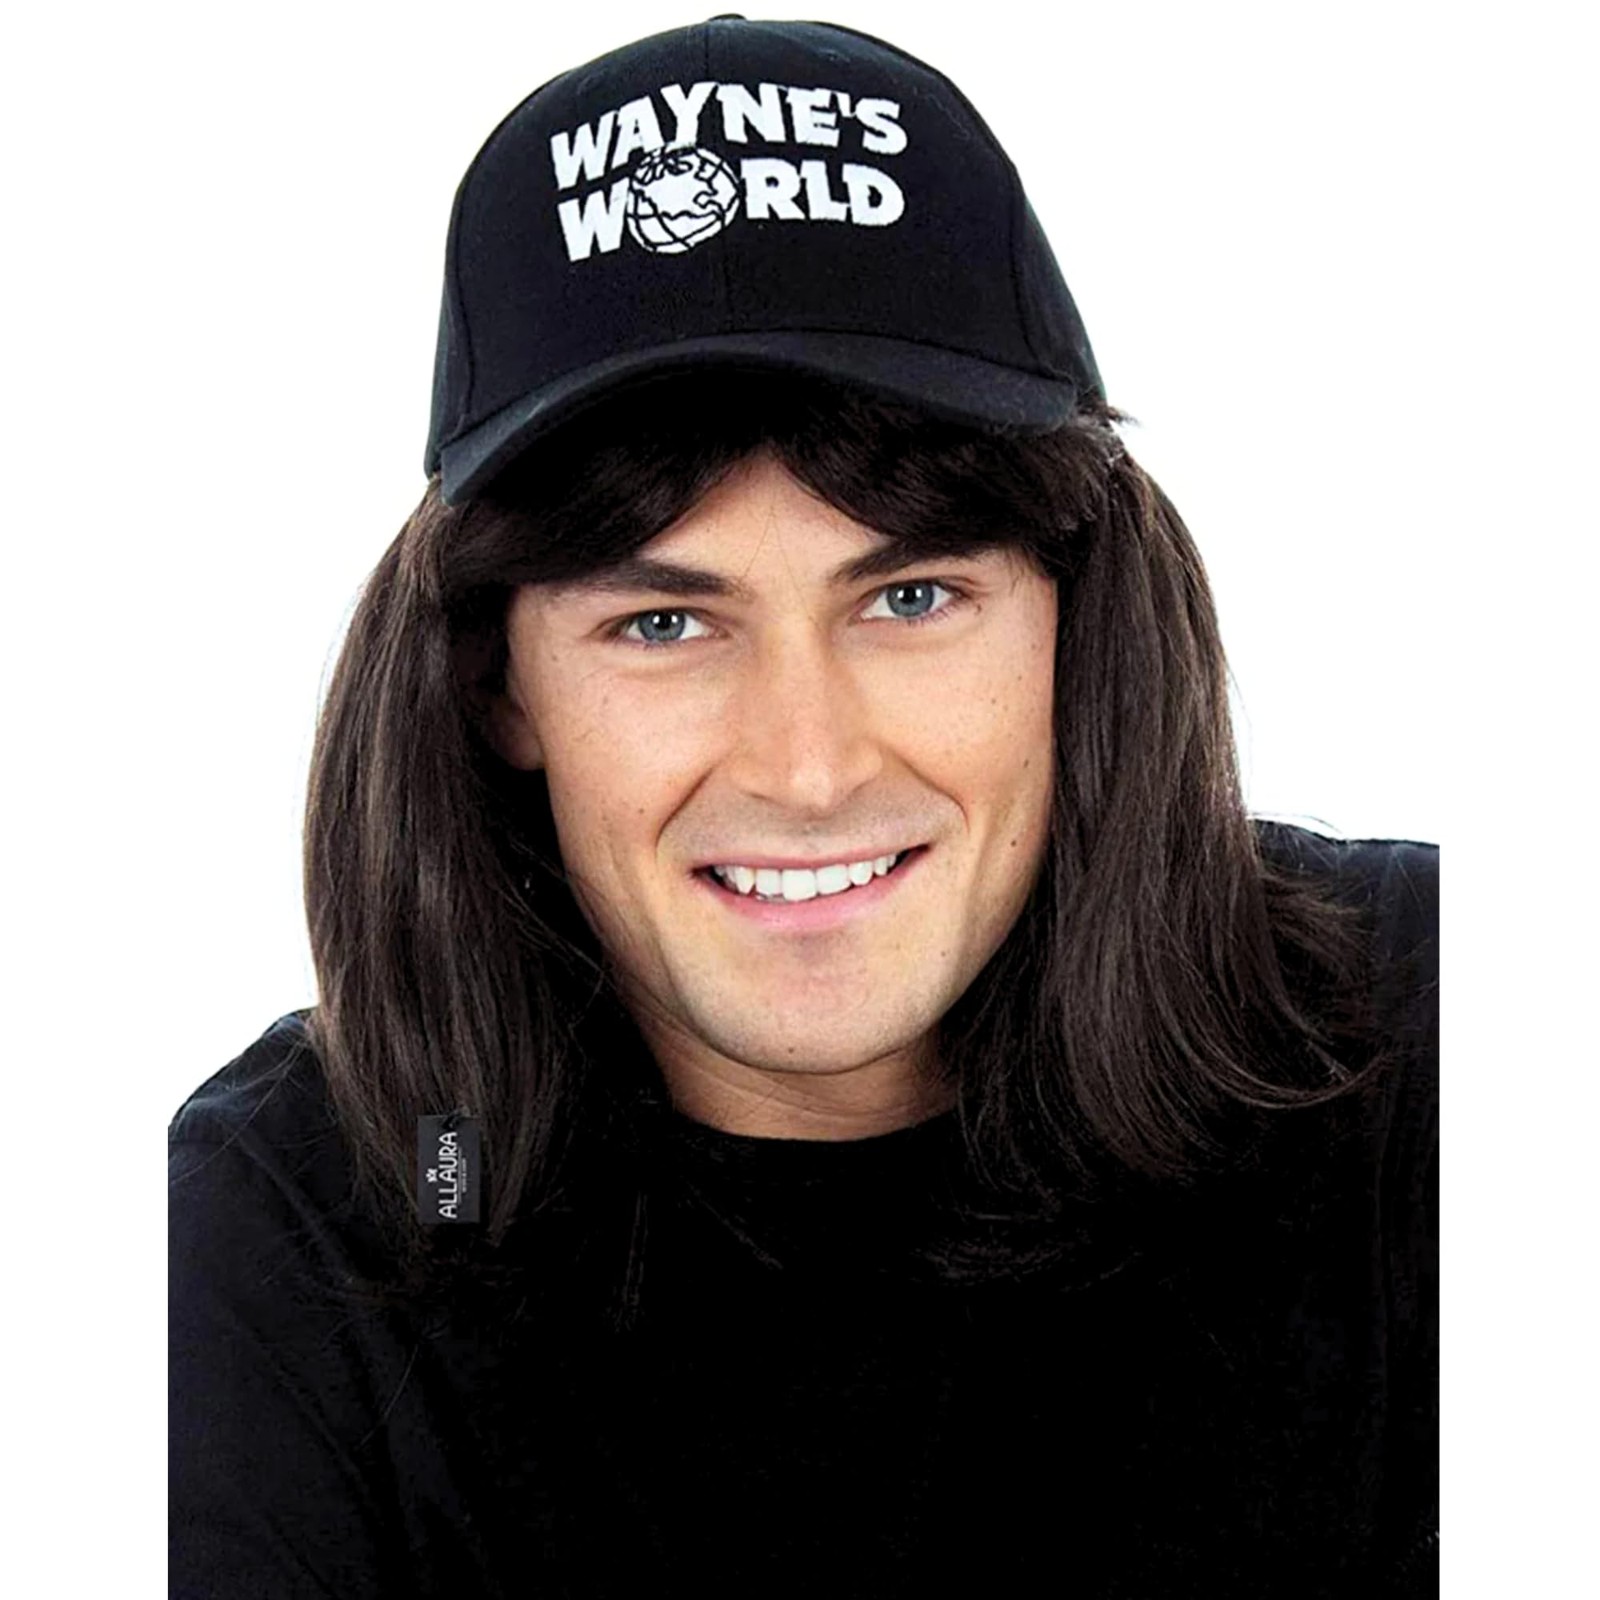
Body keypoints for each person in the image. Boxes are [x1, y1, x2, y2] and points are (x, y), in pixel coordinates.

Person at [168, 16, 1438, 1598]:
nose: (808, 766)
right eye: (663, 623)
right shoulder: (289, 1241)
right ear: (498, 685)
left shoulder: (1435, 1048)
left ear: (1078, 621)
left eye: (910, 598)